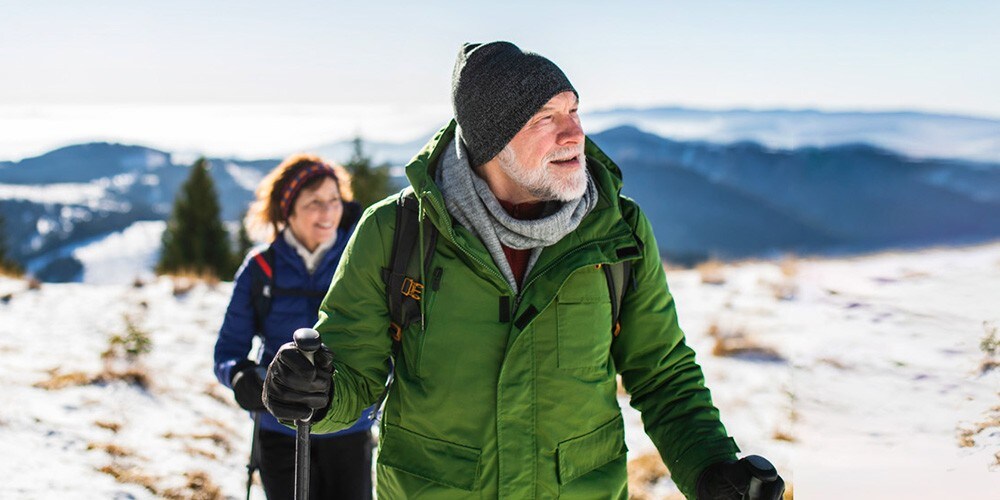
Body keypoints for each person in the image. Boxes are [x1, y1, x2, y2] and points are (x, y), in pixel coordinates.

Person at [262, 42, 784, 499]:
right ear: (493, 143)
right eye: (545, 119)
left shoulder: (617, 231)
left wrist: (712, 468)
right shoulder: (396, 232)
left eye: (574, 110)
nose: (574, 133)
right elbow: (353, 373)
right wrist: (318, 393)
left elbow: (662, 374)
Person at [214, 154, 375, 500]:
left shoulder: (363, 260)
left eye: (334, 201)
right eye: (314, 203)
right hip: (279, 429)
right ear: (288, 210)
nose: (328, 212)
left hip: (349, 427)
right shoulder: (261, 269)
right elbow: (228, 351)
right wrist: (240, 376)